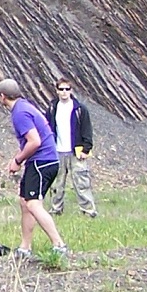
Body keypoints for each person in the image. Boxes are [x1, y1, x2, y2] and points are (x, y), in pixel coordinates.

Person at [0, 78, 68, 259]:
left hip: (41, 161)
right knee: (24, 201)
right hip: (42, 160)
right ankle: (25, 247)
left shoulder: (20, 113)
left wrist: (17, 160)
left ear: (2, 96)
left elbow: (35, 141)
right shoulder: (25, 107)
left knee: (33, 204)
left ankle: (59, 244)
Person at [46, 76, 97, 219]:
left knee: (82, 182)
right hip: (57, 152)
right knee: (56, 184)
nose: (64, 92)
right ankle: (56, 210)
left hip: (76, 152)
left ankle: (89, 212)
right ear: (56, 90)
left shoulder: (80, 109)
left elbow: (87, 130)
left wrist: (86, 149)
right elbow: (47, 128)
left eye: (67, 89)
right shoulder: (52, 108)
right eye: (61, 89)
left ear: (71, 90)